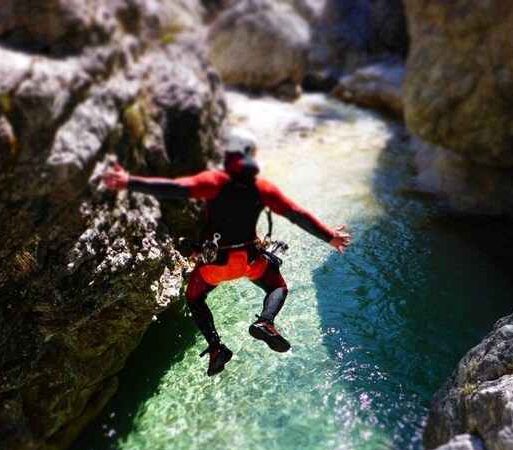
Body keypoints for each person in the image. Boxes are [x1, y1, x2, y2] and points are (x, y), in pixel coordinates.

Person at [103, 129, 351, 376]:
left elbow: (175, 188)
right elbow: (296, 214)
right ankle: (265, 321)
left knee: (194, 298)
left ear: (229, 154)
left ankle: (215, 347)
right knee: (278, 287)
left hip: (215, 266)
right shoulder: (262, 187)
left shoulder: (215, 181)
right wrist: (329, 236)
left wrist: (129, 182)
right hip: (250, 261)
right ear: (250, 155)